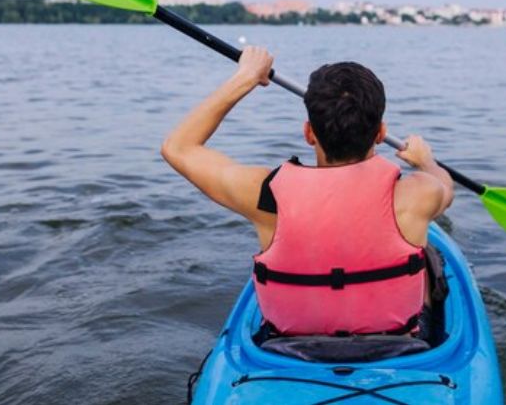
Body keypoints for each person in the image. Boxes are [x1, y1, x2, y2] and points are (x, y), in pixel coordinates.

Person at [161, 46, 454, 338]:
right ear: (380, 133)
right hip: (396, 348)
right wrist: (425, 160)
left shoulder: (265, 194)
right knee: (428, 254)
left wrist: (246, 77)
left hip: (291, 349)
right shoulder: (418, 194)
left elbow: (178, 148)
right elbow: (447, 187)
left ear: (309, 133)